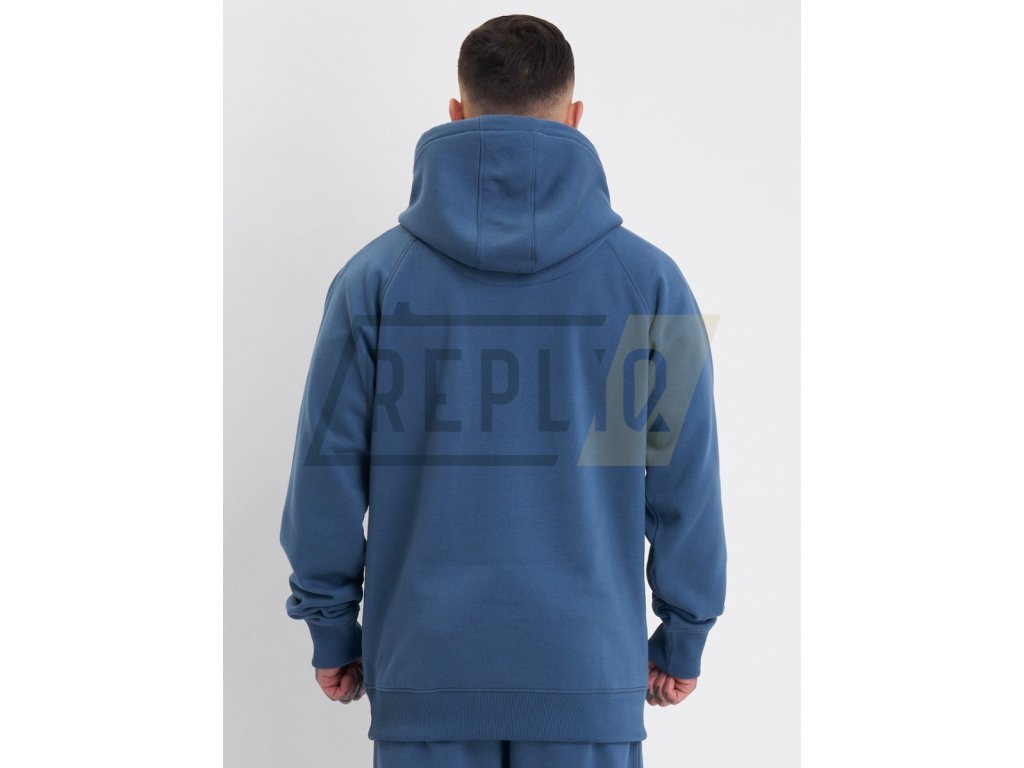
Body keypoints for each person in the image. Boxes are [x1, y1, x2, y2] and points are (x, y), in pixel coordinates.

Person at [279, 13, 727, 768]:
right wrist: (684, 634)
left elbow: (325, 475)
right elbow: (686, 484)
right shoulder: (651, 283)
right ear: (575, 117)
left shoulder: (372, 282)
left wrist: (332, 626)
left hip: (426, 666)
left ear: (457, 114)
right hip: (585, 670)